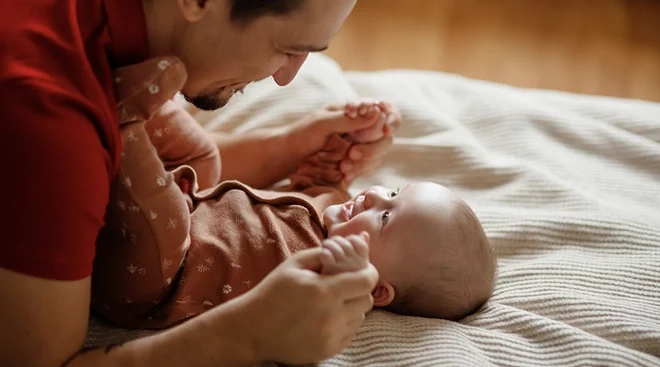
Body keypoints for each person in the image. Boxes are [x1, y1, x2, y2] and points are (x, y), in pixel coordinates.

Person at [0, 1, 396, 366]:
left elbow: (147, 173)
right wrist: (246, 335)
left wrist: (290, 145)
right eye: (288, 48)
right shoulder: (52, 123)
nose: (285, 77)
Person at [92, 64, 495, 329]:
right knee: (204, 156)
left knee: (161, 210)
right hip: (191, 194)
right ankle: (132, 85)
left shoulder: (333, 287)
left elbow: (302, 320)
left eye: (386, 217)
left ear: (377, 290)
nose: (373, 196)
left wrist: (348, 278)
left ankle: (124, 122)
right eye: (393, 191)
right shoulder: (332, 203)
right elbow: (322, 170)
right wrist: (356, 129)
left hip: (158, 276)